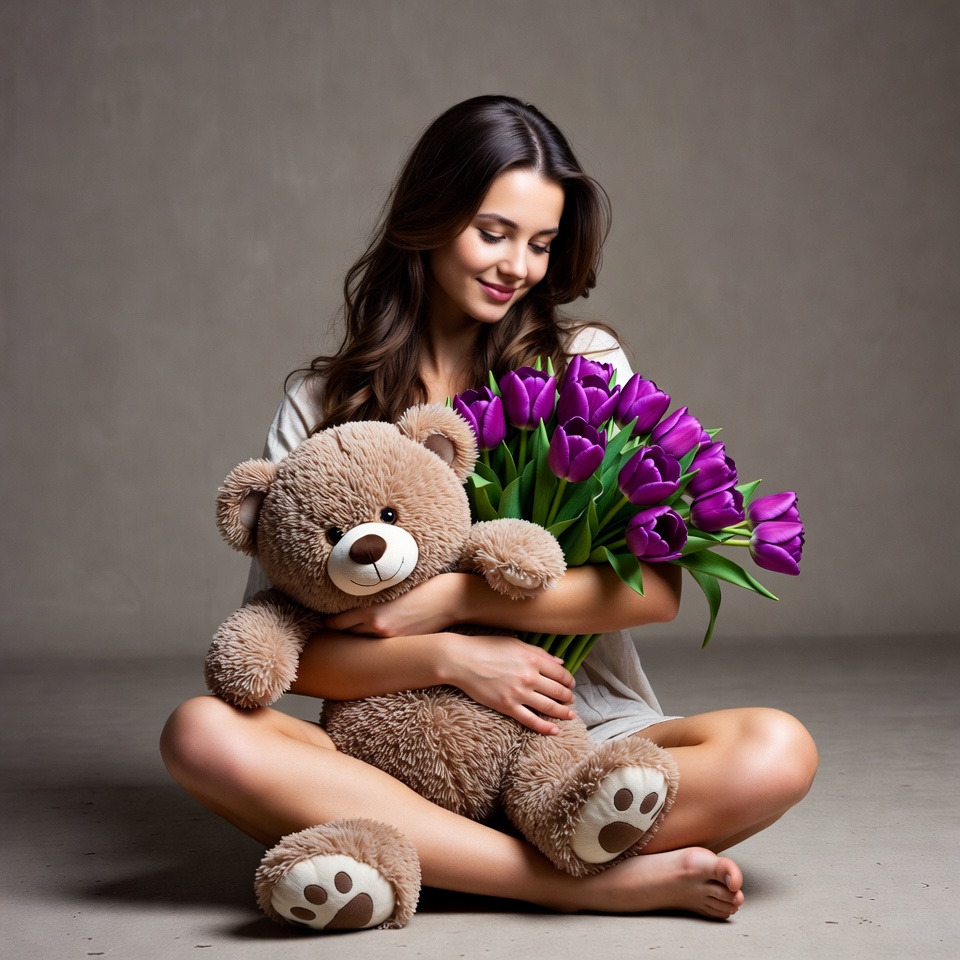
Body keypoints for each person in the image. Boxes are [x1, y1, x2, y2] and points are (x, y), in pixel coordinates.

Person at [161, 95, 817, 922]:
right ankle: (576, 882)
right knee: (201, 732)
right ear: (430, 218)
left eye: (541, 244)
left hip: (574, 743)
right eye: (493, 232)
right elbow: (291, 660)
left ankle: (427, 854)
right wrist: (453, 660)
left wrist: (458, 600)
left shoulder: (582, 365)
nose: (518, 266)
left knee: (776, 750)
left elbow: (654, 592)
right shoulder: (322, 401)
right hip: (389, 751)